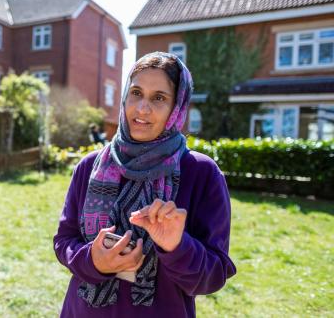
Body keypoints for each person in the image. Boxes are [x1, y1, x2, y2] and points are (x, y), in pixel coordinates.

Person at [53, 52, 236, 317]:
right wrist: (92, 260)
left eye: (159, 98)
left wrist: (177, 245)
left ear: (177, 108)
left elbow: (214, 275)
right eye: (136, 92)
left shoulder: (201, 173)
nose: (142, 109)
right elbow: (64, 241)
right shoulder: (90, 166)